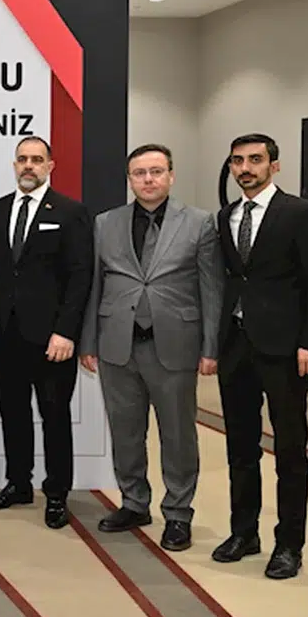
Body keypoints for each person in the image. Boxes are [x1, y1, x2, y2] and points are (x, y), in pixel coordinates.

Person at [80, 144, 222, 551]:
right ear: (129, 179)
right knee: (126, 433)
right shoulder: (106, 223)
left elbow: (212, 290)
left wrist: (210, 347)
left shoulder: (198, 223)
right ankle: (134, 502)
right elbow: (95, 285)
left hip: (174, 346)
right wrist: (89, 340)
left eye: (156, 171)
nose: (148, 179)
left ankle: (178, 513)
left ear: (171, 176)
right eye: (139, 173)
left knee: (178, 436)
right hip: (117, 345)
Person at [211, 133, 308, 580]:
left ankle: (289, 544)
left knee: (289, 450)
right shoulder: (226, 216)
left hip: (284, 349)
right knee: (240, 447)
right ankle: (244, 532)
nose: (246, 168)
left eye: (255, 160)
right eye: (238, 161)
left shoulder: (301, 213)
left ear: (274, 165)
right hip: (236, 346)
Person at [0, 136, 93, 529]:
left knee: (54, 415)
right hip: (6, 334)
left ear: (50, 165)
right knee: (13, 412)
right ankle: (18, 483)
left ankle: (57, 493)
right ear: (14, 165)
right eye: (23, 159)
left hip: (51, 340)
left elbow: (80, 276)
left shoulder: (70, 212)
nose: (29, 165)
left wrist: (66, 332)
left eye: (37, 159)